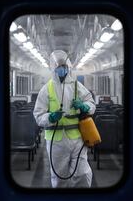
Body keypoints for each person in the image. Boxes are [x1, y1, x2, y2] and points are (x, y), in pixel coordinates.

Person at [33, 50, 95, 188]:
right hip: (56, 140)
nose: (63, 70)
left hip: (77, 137)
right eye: (60, 67)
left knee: (83, 174)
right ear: (54, 69)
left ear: (69, 68)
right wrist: (51, 117)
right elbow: (38, 115)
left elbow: (91, 104)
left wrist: (84, 106)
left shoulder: (76, 85)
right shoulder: (46, 89)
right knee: (59, 177)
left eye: (65, 67)